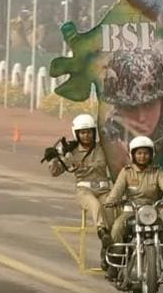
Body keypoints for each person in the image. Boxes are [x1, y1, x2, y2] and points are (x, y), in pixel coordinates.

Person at [103, 136, 163, 283]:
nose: (142, 156)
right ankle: (114, 264)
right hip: (130, 211)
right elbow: (117, 189)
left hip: (150, 212)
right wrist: (111, 201)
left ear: (151, 155)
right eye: (139, 153)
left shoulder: (157, 172)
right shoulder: (126, 172)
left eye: (146, 153)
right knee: (117, 227)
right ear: (133, 155)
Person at [44, 114, 117, 271]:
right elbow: (56, 172)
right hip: (85, 190)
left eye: (89, 132)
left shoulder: (103, 149)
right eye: (82, 132)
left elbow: (118, 162)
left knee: (112, 210)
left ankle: (109, 252)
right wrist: (54, 158)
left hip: (104, 188)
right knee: (95, 205)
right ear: (77, 133)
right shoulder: (70, 151)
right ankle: (102, 232)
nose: (86, 135)